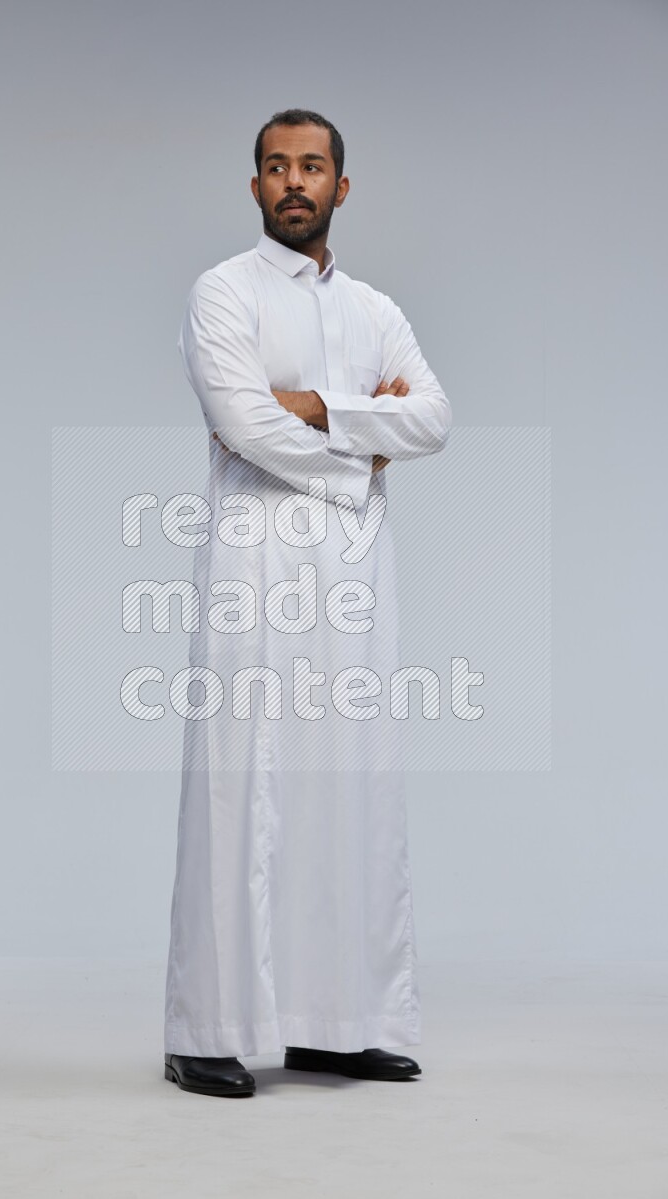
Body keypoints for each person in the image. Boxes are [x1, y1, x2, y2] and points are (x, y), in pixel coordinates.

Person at [163, 108, 452, 1097]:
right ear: (253, 187)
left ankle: (336, 1022)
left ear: (341, 185)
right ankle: (204, 1025)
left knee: (349, 784)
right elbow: (241, 421)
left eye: (312, 166)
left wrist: (323, 405)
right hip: (255, 561)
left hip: (355, 572)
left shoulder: (374, 308)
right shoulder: (223, 293)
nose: (294, 181)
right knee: (239, 783)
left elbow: (433, 416)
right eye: (276, 167)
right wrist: (356, 455)